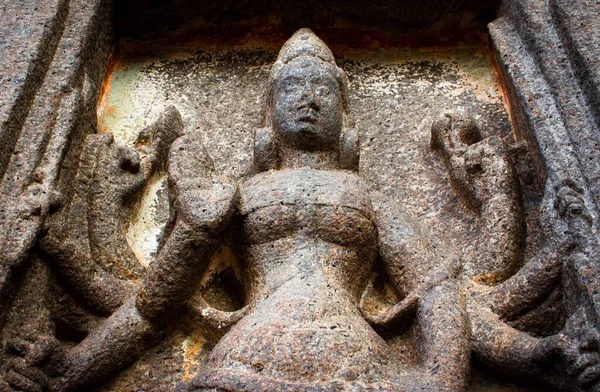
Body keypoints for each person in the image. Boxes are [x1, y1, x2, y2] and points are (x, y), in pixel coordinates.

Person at [3, 29, 469, 392]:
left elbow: (435, 287)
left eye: (323, 90)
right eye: (293, 88)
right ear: (268, 111)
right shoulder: (234, 196)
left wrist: (439, 379)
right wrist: (75, 367)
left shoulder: (366, 198)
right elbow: (154, 305)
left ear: (345, 113)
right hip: (243, 362)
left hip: (358, 364)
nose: (308, 99)